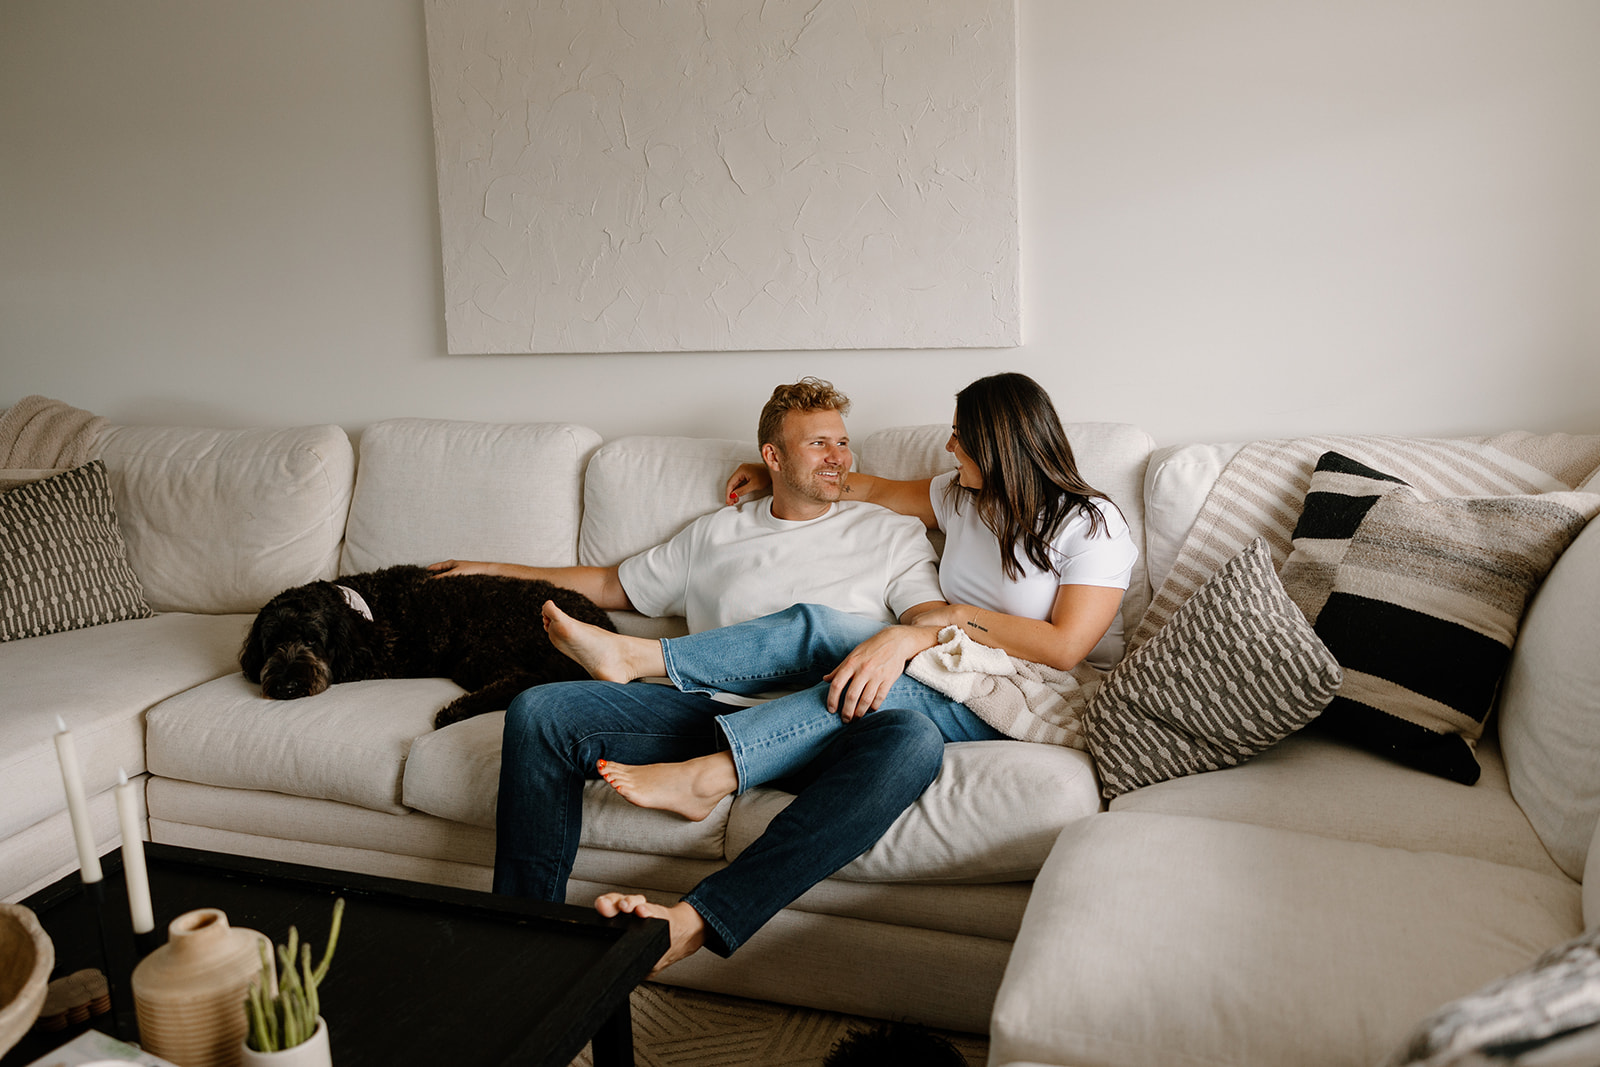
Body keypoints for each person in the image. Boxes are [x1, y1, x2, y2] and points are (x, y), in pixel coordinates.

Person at [432, 377, 998, 974]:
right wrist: (486, 570)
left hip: (824, 721)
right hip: (710, 711)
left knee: (912, 739)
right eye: (819, 445)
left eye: (843, 442)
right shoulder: (715, 532)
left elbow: (928, 619)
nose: (840, 458)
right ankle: (520, 945)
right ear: (772, 457)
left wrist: (918, 632)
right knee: (542, 711)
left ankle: (697, 916)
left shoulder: (890, 532)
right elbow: (609, 585)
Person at [540, 371, 1138, 930]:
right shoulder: (961, 497)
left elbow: (1064, 648)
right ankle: (642, 661)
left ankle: (713, 769)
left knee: (861, 682)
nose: (950, 447)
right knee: (819, 625)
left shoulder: (1090, 524)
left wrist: (950, 619)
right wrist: (771, 465)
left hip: (1013, 684)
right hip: (949, 662)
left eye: (960, 436)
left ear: (999, 444)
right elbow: (855, 484)